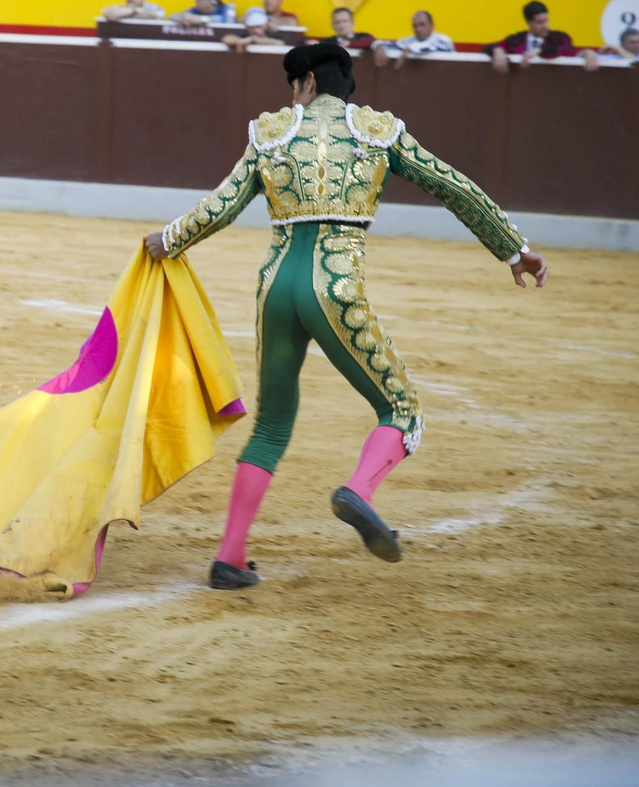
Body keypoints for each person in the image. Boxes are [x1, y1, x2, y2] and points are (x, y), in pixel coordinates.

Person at [143, 43, 546, 589]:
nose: (292, 97)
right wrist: (513, 248)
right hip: (333, 287)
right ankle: (358, 489)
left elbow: (223, 205)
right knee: (400, 407)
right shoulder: (379, 131)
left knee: (270, 425)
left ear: (307, 82)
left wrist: (166, 240)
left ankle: (229, 557)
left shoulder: (272, 132)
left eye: (293, 85)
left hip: (275, 288)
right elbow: (452, 186)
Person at [486, 0, 600, 73]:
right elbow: (489, 46)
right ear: (529, 23)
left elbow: (566, 50)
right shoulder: (518, 39)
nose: (545, 26)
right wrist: (497, 50)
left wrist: (540, 50)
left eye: (546, 21)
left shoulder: (560, 37)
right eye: (540, 22)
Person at [371, 10, 453, 67]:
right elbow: (391, 45)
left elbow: (441, 47)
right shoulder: (409, 41)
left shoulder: (443, 40)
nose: (418, 29)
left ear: (432, 25)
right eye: (415, 26)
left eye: (422, 24)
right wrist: (379, 45)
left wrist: (411, 48)